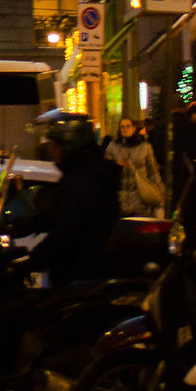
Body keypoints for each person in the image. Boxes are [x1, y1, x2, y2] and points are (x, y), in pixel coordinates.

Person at [21, 113, 124, 287]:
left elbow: (63, 234)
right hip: (79, 273)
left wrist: (28, 262)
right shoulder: (81, 175)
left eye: (56, 146)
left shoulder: (83, 182)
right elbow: (55, 215)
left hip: (81, 278)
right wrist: (20, 226)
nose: (53, 151)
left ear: (70, 146)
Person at [110, 116, 165, 217]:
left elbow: (153, 172)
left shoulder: (145, 147)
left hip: (141, 198)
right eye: (122, 126)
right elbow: (106, 168)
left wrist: (160, 192)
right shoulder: (112, 147)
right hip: (120, 201)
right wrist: (116, 165)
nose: (125, 129)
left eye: (128, 126)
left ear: (133, 128)